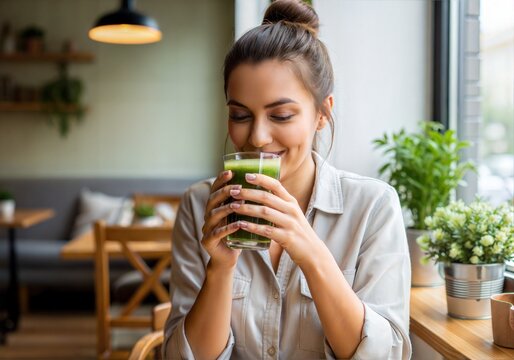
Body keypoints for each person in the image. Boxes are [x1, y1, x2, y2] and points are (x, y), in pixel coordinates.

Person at [163, 0, 411, 359]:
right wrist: (219, 268)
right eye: (240, 114)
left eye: (281, 115)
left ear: (323, 114)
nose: (258, 137)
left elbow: (384, 355)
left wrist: (310, 251)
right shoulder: (200, 205)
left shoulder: (373, 207)